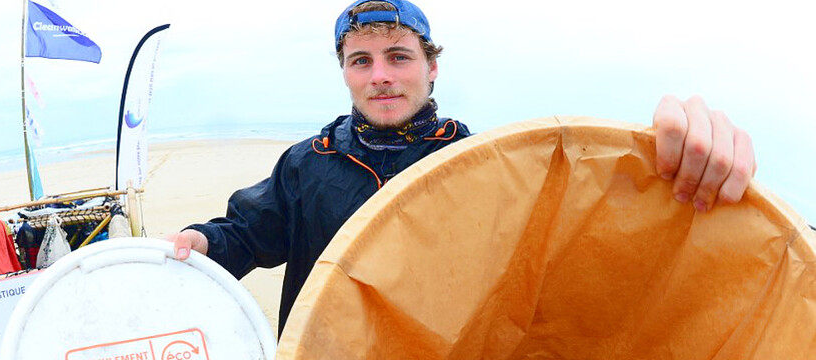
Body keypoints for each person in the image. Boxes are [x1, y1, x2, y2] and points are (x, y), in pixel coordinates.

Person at [168, 0, 756, 335]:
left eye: (399, 56)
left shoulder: (480, 163)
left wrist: (680, 173)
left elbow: (584, 235)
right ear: (344, 72)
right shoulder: (307, 163)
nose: (381, 75)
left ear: (431, 68)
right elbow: (249, 234)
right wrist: (205, 242)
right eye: (361, 60)